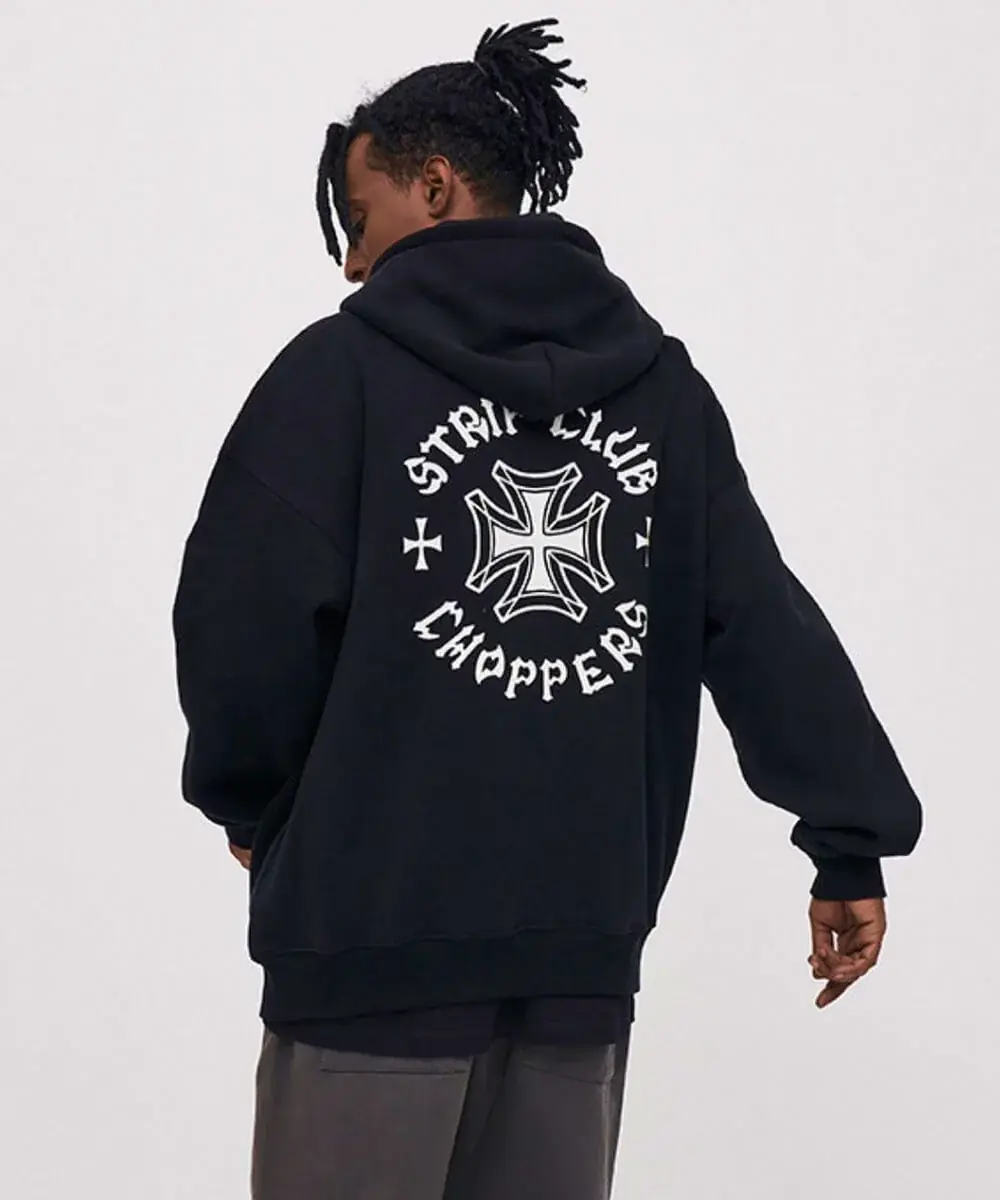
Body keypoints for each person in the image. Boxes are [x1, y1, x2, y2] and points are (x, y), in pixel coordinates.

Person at [172, 17, 922, 1200]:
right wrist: (848, 841)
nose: (352, 263)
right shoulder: (661, 392)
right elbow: (759, 623)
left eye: (359, 217)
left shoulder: (336, 376)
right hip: (579, 959)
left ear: (433, 184)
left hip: (368, 957)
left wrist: (249, 797)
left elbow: (240, 620)